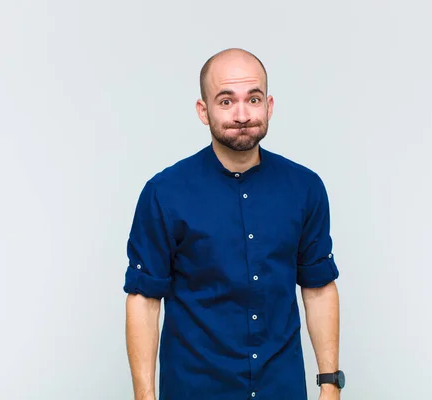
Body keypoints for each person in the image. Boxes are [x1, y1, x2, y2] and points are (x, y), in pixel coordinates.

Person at [124, 48, 344, 400]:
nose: (242, 114)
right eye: (226, 101)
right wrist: (144, 396)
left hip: (281, 388)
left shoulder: (305, 188)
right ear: (203, 110)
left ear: (269, 106)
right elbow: (144, 299)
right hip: (194, 389)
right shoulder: (164, 194)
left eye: (252, 99)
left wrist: (330, 385)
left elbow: (318, 288)